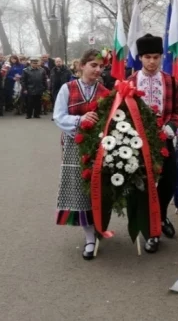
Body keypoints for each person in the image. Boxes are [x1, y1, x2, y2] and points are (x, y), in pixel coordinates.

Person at [126, 33, 178, 253]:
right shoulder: (130, 83)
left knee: (168, 181)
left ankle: (160, 216)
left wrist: (172, 126)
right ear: (140, 58)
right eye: (147, 57)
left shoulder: (170, 81)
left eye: (156, 57)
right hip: (137, 144)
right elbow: (121, 113)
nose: (152, 61)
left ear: (161, 57)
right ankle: (151, 230)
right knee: (142, 185)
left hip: (164, 139)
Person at [53, 49, 111, 260]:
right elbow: (58, 117)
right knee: (80, 189)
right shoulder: (67, 88)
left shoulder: (105, 91)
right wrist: (80, 120)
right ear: (82, 66)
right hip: (74, 147)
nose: (97, 70)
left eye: (100, 66)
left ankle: (99, 226)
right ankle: (89, 237)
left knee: (99, 187)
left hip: (99, 147)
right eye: (93, 65)